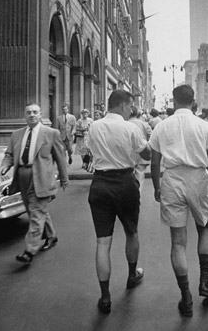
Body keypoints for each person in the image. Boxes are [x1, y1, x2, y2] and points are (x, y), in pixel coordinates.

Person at [149, 85, 208, 318]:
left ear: (173, 101)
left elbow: (155, 163)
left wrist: (157, 187)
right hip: (198, 179)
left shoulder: (161, 127)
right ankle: (204, 281)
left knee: (178, 242)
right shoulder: (203, 126)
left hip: (172, 179)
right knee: (204, 228)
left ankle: (185, 296)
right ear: (192, 101)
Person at [87, 90, 151, 314]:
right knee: (131, 232)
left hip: (100, 183)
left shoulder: (93, 126)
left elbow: (88, 150)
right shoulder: (130, 127)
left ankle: (105, 297)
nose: (131, 110)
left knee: (103, 243)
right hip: (124, 182)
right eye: (130, 106)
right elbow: (147, 154)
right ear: (123, 106)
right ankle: (132, 275)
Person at [0, 103, 68, 264]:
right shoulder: (16, 134)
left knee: (37, 212)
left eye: (35, 112)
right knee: (34, 211)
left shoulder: (51, 133)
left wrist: (64, 178)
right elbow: (9, 154)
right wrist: (4, 166)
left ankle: (30, 250)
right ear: (25, 115)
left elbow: (60, 158)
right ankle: (51, 236)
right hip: (22, 176)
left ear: (40, 114)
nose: (32, 115)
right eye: (29, 112)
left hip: (42, 177)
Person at [129, 106, 152, 191]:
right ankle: (138, 194)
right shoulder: (144, 124)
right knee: (139, 174)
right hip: (142, 152)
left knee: (128, 174)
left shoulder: (125, 123)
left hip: (128, 152)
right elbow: (150, 136)